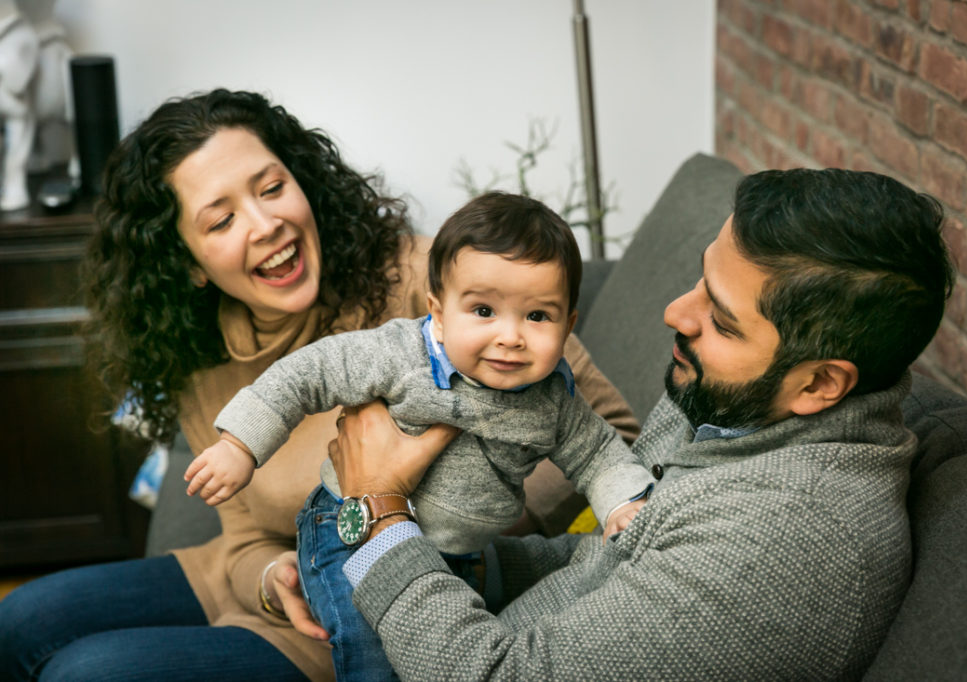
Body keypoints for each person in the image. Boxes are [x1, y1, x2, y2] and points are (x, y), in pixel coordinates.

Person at [0, 89, 639, 681]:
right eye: (220, 221)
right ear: (188, 264)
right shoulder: (198, 355)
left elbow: (610, 432)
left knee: (85, 673)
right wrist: (270, 578)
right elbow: (244, 537)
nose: (264, 224)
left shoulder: (438, 283)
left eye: (272, 188)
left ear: (305, 185)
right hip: (281, 580)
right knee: (17, 622)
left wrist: (458, 514)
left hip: (384, 600)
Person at [314, 167, 957, 680]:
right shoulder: (737, 407)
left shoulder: (782, 548)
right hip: (450, 624)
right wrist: (381, 561)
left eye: (723, 319)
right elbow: (619, 557)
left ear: (820, 383)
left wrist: (375, 517)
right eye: (700, 280)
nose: (677, 312)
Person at [184, 191, 654, 679]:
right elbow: (308, 374)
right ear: (440, 311)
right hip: (349, 532)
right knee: (377, 658)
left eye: (538, 316)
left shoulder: (554, 399)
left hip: (457, 552)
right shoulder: (403, 354)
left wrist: (623, 505)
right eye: (484, 311)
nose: (510, 336)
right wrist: (240, 445)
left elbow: (600, 451)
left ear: (568, 324)